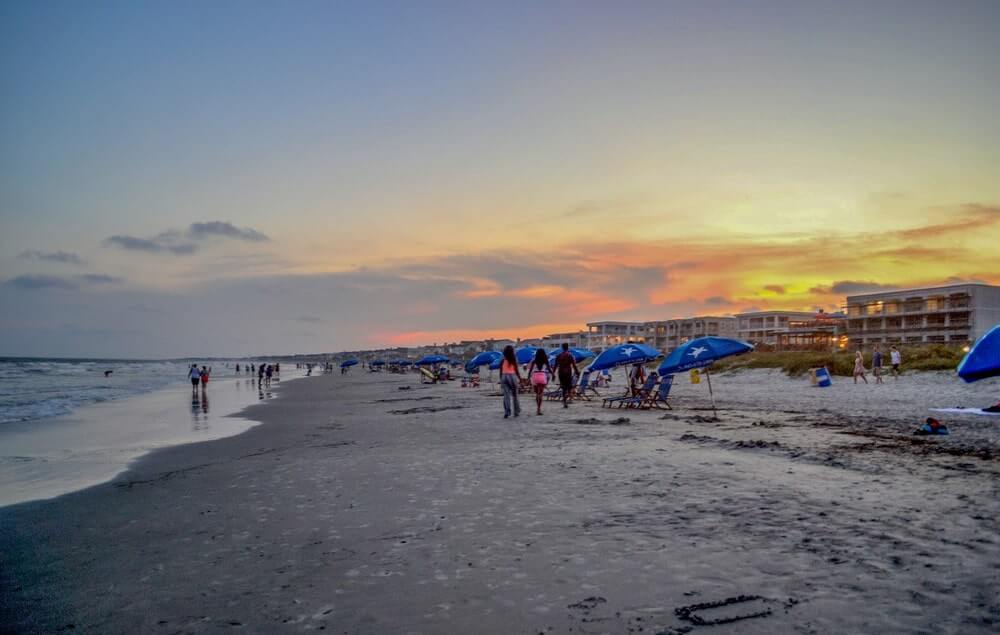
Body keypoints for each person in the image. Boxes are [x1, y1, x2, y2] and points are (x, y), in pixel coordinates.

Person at [553, 343, 579, 408]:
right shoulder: (570, 355)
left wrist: (553, 374)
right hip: (567, 372)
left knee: (564, 387)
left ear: (562, 347)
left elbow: (555, 366)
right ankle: (567, 399)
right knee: (569, 387)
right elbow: (574, 365)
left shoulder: (559, 355)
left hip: (561, 372)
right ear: (568, 347)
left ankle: (564, 401)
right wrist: (577, 372)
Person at [527, 349, 552, 415]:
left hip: (535, 377)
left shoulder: (534, 361)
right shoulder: (545, 361)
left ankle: (538, 407)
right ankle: (538, 409)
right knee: (540, 394)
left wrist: (528, 378)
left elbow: (530, 371)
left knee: (537, 394)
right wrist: (553, 374)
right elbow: (549, 369)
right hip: (542, 376)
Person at [499, 345, 522, 418]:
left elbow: (500, 371)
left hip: (504, 376)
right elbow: (516, 370)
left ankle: (507, 412)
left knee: (506, 396)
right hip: (512, 376)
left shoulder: (502, 360)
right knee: (515, 395)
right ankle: (516, 412)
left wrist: (501, 380)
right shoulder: (514, 359)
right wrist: (520, 378)